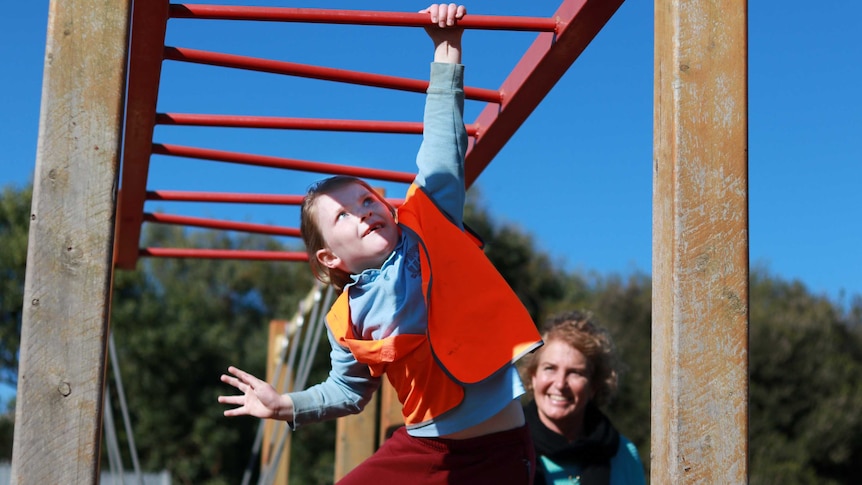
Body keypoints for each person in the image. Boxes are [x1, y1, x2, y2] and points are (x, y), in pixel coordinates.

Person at [218, 4, 543, 483]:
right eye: (343, 215)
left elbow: (441, 146)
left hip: (497, 447)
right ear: (329, 256)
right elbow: (347, 392)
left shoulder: (430, 221)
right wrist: (285, 404)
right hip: (426, 446)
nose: (363, 211)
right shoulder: (345, 319)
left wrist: (446, 49)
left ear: (387, 208)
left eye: (367, 199)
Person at [520, 311, 646, 485]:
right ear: (533, 376)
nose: (560, 384)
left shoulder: (623, 454)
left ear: (594, 385)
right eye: (550, 368)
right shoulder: (507, 450)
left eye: (575, 373)